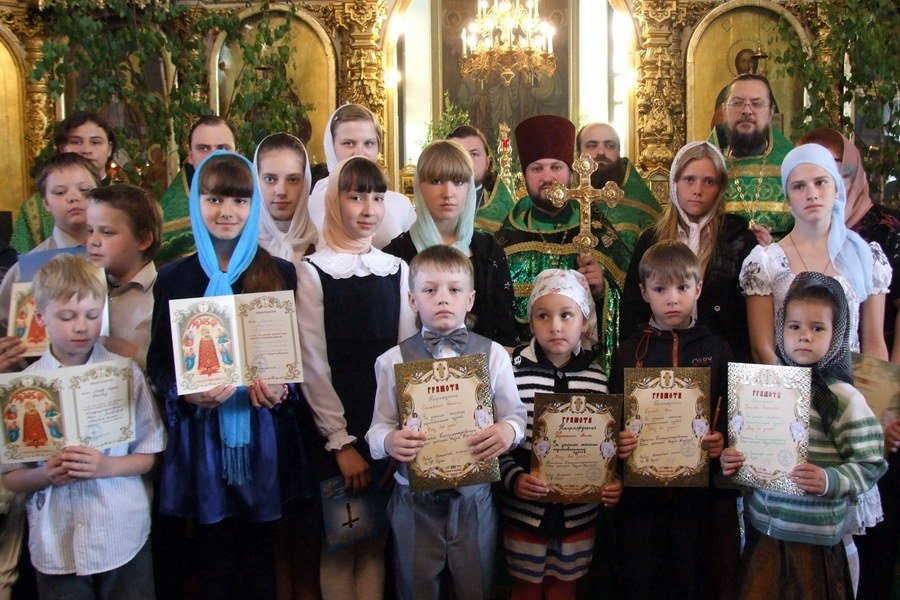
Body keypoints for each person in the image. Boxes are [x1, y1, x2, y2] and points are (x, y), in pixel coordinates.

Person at [147, 151, 303, 600]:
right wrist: (186, 393)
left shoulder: (278, 272)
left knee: (261, 559)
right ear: (196, 202)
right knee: (214, 560)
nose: (226, 212)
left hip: (262, 433)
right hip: (203, 439)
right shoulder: (174, 278)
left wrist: (280, 389)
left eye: (239, 201)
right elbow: (159, 362)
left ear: (253, 206)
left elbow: (292, 359)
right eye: (214, 199)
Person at [366, 245, 527, 600]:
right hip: (413, 501)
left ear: (470, 300)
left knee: (476, 588)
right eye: (430, 290)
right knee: (415, 589)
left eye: (454, 290)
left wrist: (508, 430)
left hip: (474, 500)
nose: (442, 298)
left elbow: (516, 414)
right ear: (412, 300)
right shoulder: (392, 361)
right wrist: (388, 441)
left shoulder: (494, 355)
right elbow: (378, 427)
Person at [1, 254, 165, 600]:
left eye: (92, 315)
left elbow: (150, 453)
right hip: (56, 544)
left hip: (121, 533)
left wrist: (107, 465)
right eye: (67, 317)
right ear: (41, 317)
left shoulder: (125, 372)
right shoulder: (22, 386)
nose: (81, 327)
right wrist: (45, 475)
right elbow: (11, 476)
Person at [720, 272, 888, 599]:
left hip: (817, 542)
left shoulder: (843, 399)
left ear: (837, 335)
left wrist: (829, 479)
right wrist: (733, 460)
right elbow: (749, 453)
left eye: (818, 328)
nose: (804, 336)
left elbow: (871, 463)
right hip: (765, 533)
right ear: (781, 329)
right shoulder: (761, 390)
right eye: (794, 326)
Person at [296, 155, 416, 600]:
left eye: (377, 198)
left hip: (384, 428)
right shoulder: (313, 271)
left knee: (375, 543)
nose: (368, 209)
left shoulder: (397, 269)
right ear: (334, 202)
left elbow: (405, 357)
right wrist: (341, 442)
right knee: (342, 544)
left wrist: (394, 434)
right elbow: (312, 363)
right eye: (356, 197)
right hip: (337, 428)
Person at [609, 240, 736, 600]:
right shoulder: (629, 351)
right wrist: (619, 441)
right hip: (640, 496)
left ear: (698, 288)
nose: (672, 299)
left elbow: (730, 412)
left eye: (682, 287)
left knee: (690, 575)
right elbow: (614, 416)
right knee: (641, 576)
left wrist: (721, 439)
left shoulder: (716, 349)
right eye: (660, 289)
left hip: (697, 496)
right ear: (643, 293)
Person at [497, 269, 627, 600]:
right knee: (525, 587)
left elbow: (607, 446)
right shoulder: (513, 373)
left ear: (584, 322)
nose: (555, 326)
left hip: (578, 515)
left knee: (565, 588)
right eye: (543, 316)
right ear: (531, 322)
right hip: (525, 512)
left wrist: (612, 480)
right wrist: (514, 480)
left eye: (566, 315)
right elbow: (499, 443)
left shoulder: (597, 378)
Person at [495, 114, 632, 372]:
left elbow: (633, 304)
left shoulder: (598, 232)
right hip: (522, 372)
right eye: (537, 169)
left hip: (585, 370)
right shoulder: (504, 241)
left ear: (571, 173)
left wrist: (603, 291)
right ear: (524, 175)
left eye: (556, 167)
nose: (547, 177)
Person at [740, 143, 891, 364]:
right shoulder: (765, 262)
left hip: (850, 382)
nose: (811, 194)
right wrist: (796, 384)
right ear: (787, 198)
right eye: (799, 186)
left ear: (836, 188)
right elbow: (762, 349)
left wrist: (859, 387)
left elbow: (874, 345)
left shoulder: (864, 256)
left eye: (820, 182)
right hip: (785, 382)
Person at [619, 141, 757, 361]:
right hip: (659, 357)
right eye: (689, 179)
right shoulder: (652, 239)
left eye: (709, 181)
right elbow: (633, 307)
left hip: (721, 359)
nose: (698, 190)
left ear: (720, 188)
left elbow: (747, 314)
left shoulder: (736, 238)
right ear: (674, 182)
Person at [383, 139, 518, 346]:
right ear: (419, 186)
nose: (448, 193)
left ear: (469, 187)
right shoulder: (396, 255)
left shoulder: (489, 251)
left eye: (458, 182)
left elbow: (505, 329)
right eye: (437, 181)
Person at [797, 127, 900, 362]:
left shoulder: (888, 229)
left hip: (877, 364)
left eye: (828, 165)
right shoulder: (803, 228)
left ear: (849, 171)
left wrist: (893, 377)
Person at [0, 153, 101, 330]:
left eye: (84, 190)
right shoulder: (24, 271)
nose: (73, 197)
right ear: (46, 203)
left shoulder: (118, 257)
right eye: (60, 192)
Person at [307, 104, 415, 249]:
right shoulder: (311, 205)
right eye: (349, 143)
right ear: (331, 147)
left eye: (368, 143)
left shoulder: (401, 205)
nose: (359, 153)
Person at [11, 112, 115, 254]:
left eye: (95, 142)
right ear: (62, 147)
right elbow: (21, 258)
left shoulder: (126, 200)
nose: (86, 150)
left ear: (109, 149)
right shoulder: (33, 208)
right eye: (76, 142)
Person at [85, 184, 163, 371]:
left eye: (107, 232)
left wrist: (135, 355)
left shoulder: (163, 296)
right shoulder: (80, 290)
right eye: (89, 230)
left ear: (143, 240)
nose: (93, 241)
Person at [708, 73, 795, 242]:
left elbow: (809, 233)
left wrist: (774, 248)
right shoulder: (707, 166)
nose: (747, 111)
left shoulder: (792, 167)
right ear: (724, 111)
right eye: (737, 103)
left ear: (770, 113)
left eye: (756, 103)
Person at [156, 116, 237, 264]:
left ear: (237, 153)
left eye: (222, 148)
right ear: (190, 155)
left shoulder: (260, 202)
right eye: (203, 148)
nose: (213, 156)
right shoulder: (166, 216)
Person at [575, 122, 662, 251]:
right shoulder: (565, 196)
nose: (601, 152)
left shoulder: (640, 203)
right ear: (578, 153)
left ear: (619, 152)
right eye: (592, 145)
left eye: (609, 146)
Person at [252, 133, 318, 268]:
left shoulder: (323, 245)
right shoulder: (237, 248)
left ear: (305, 182)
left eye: (292, 180)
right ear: (256, 180)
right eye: (270, 179)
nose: (281, 191)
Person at [447, 125, 496, 207]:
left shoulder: (505, 211)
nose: (466, 160)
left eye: (474, 154)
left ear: (488, 162)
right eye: (457, 154)